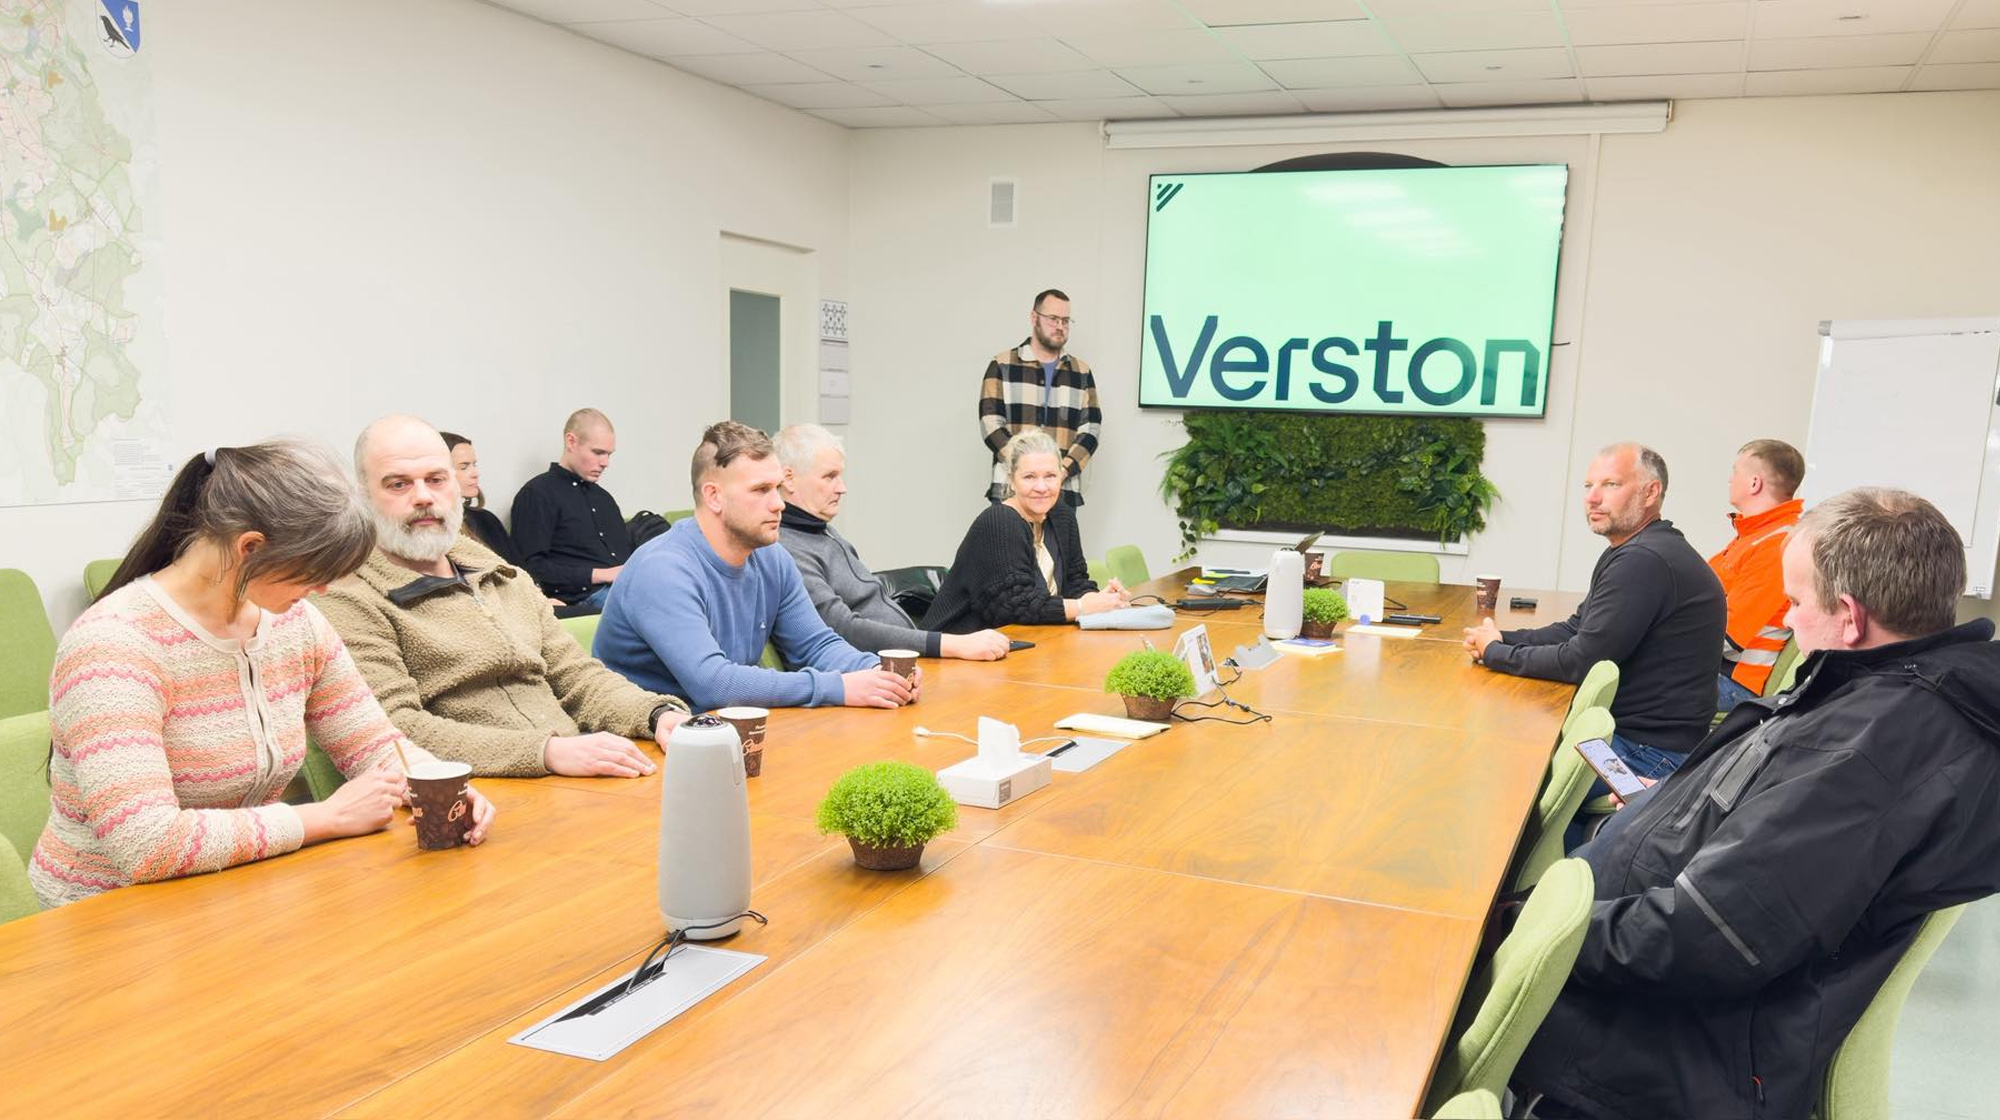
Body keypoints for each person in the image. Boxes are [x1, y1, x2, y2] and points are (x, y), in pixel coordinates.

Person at [1513, 488, 2000, 1120]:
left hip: (1654, 1058)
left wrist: (1532, 928)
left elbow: (1704, 937)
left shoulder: (1873, 751)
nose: (1788, 623)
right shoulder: (1877, 693)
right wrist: (1678, 801)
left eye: (1795, 602)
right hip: (1645, 992)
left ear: (1849, 617)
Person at [28, 441, 496, 909]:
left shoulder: (297, 624)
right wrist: (324, 818)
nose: (322, 588)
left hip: (238, 890)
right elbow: (148, 844)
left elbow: (373, 744)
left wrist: (437, 784)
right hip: (108, 909)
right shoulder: (115, 644)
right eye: (313, 571)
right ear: (250, 548)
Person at [317, 416, 688, 779]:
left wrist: (654, 714)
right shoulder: (349, 597)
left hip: (570, 771)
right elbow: (395, 731)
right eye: (398, 485)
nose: (423, 497)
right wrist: (546, 752)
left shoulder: (502, 575)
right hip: (473, 792)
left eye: (436, 479)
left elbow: (577, 676)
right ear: (363, 497)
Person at [595, 421, 916, 713]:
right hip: (645, 742)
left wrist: (878, 672)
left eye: (777, 488)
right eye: (761, 490)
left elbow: (816, 645)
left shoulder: (771, 557)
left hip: (723, 730)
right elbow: (714, 685)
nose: (778, 503)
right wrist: (839, 686)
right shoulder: (663, 569)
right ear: (714, 497)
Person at [1463, 443, 1725, 783]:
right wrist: (1502, 639)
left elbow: (1580, 661)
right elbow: (1576, 628)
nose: (1592, 498)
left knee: (1504, 769)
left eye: (1610, 485)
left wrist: (1497, 654)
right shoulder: (1635, 549)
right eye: (1588, 486)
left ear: (1651, 492)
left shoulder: (1643, 560)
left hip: (1649, 755)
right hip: (1640, 740)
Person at [773, 423, 1010, 662]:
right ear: (789, 478)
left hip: (902, 662)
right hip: (871, 670)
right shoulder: (787, 549)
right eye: (829, 476)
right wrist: (950, 644)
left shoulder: (823, 531)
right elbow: (842, 629)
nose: (842, 488)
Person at [924, 428, 1129, 633]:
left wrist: (1102, 600)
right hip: (956, 645)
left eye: (1050, 476)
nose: (1041, 487)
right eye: (1029, 477)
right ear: (1012, 480)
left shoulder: (1062, 516)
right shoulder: (999, 521)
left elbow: (1076, 581)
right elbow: (1015, 606)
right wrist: (1083, 607)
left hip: (1026, 639)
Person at [979, 288, 1101, 508]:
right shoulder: (1002, 365)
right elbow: (990, 424)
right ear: (1034, 317)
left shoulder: (1081, 372)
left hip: (1062, 491)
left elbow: (1091, 429)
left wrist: (1060, 472)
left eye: (1065, 321)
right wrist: (1024, 469)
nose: (1060, 326)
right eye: (1053, 319)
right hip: (1010, 490)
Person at [1710, 438, 1807, 711]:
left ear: (1754, 483)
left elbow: (1726, 638)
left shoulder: (1776, 545)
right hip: (1712, 671)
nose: (1730, 479)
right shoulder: (1755, 536)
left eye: (1735, 471)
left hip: (1731, 681)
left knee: (1633, 687)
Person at [510, 408, 630, 611]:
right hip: (583, 597)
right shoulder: (538, 494)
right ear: (571, 441)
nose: (605, 463)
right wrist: (601, 574)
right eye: (598, 452)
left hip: (624, 589)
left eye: (609, 454)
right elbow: (530, 569)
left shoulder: (604, 499)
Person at [438, 430, 527, 571]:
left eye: (474, 465)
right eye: (464, 467)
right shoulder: (431, 528)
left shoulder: (486, 520)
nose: (475, 474)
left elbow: (519, 572)